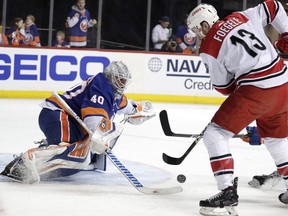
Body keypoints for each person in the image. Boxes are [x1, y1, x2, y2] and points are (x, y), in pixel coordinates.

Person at [187, 1, 288, 215]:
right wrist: (287, 33)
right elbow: (275, 6)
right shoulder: (241, 16)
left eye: (197, 30)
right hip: (283, 85)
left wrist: (237, 79)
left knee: (215, 134)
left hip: (257, 90)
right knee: (276, 139)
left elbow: (224, 87)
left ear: (204, 25)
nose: (199, 35)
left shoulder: (209, 47)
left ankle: (226, 192)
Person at [1, 61, 155, 183]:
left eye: (124, 81)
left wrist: (142, 110)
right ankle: (29, 161)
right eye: (120, 80)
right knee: (73, 157)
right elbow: (93, 121)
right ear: (111, 77)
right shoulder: (101, 87)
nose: (122, 84)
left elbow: (129, 107)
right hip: (58, 114)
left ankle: (44, 152)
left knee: (79, 158)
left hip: (67, 120)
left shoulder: (115, 94)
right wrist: (102, 138)